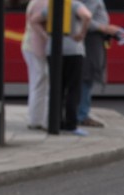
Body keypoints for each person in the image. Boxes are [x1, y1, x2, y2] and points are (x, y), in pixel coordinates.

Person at [36, 0, 92, 135]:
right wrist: (82, 33)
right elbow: (87, 16)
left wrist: (45, 35)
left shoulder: (51, 6)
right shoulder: (75, 4)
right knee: (73, 89)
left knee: (57, 88)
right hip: (74, 50)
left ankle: (56, 122)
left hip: (53, 51)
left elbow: (34, 19)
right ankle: (71, 124)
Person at [78, 0, 122, 128]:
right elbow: (82, 19)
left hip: (92, 40)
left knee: (86, 77)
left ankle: (81, 113)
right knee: (86, 76)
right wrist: (105, 28)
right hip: (90, 41)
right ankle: (81, 115)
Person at [21, 0, 49, 130]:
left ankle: (37, 119)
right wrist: (47, 37)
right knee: (40, 82)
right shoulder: (42, 2)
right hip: (36, 47)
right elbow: (35, 22)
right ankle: (37, 120)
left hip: (32, 46)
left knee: (38, 82)